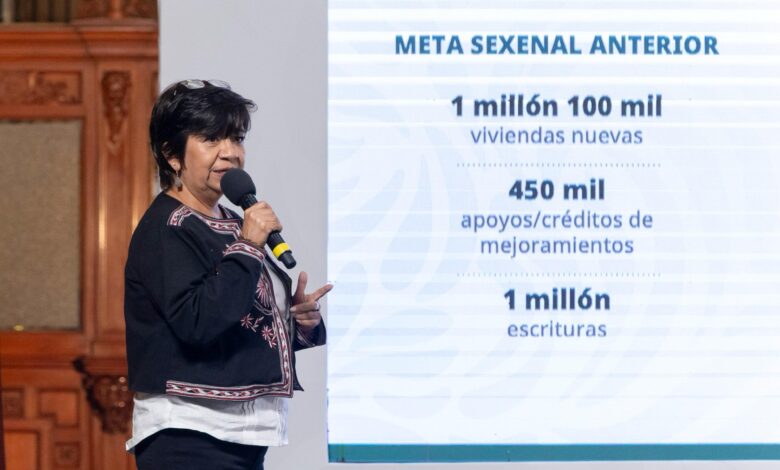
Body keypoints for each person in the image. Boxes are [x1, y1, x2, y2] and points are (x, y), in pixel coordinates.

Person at [124, 79, 330, 469]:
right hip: (189, 435)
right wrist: (249, 245)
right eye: (211, 139)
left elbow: (236, 318)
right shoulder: (167, 227)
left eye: (236, 138)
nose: (230, 152)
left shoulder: (234, 221)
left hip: (241, 435)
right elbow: (198, 322)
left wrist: (297, 322)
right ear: (172, 155)